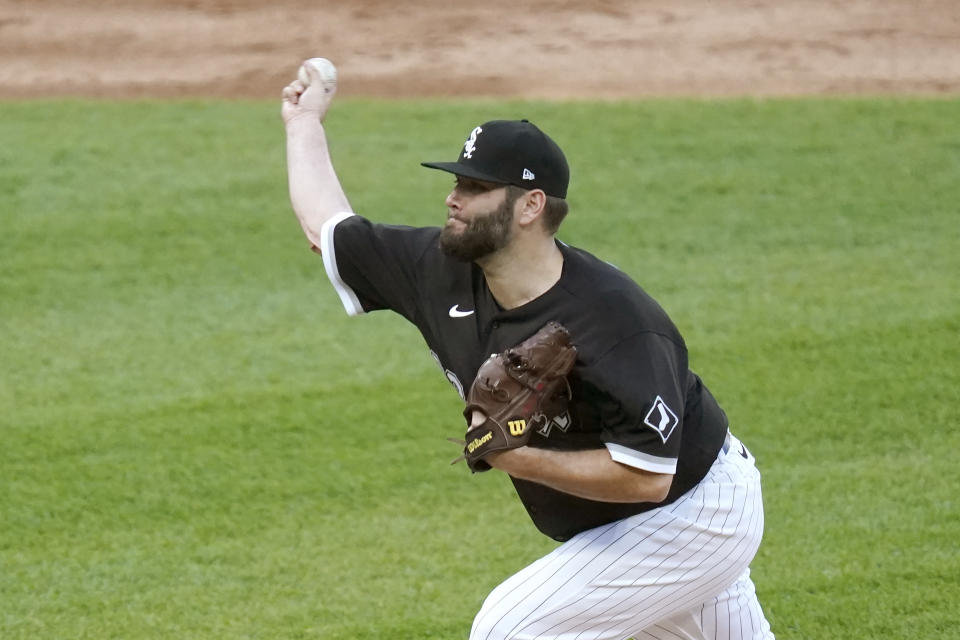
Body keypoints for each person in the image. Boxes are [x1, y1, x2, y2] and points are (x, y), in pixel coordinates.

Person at [282, 62, 776, 640]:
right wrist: (304, 121)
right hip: (617, 530)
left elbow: (647, 476)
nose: (452, 198)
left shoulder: (614, 319)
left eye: (474, 187)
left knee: (510, 628)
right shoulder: (439, 270)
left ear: (530, 205)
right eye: (457, 182)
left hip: (695, 514)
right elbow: (328, 228)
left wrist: (515, 456)